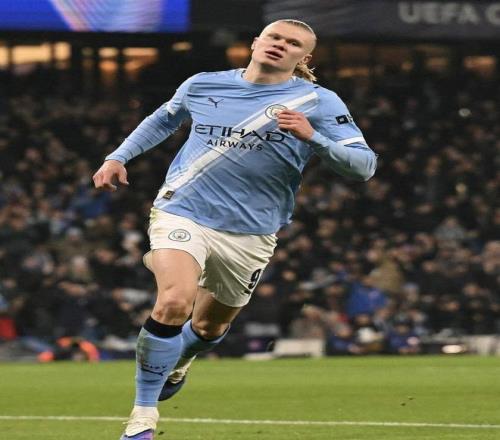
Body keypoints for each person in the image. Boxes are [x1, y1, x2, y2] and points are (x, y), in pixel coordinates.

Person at [93, 19, 377, 440]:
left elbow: (363, 167)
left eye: (292, 43)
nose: (280, 45)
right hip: (183, 210)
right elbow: (162, 120)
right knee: (173, 301)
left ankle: (182, 359)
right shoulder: (203, 84)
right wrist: (118, 157)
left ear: (304, 57)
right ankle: (142, 416)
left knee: (208, 328)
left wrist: (313, 136)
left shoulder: (317, 101)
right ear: (256, 42)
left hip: (251, 231)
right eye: (274, 37)